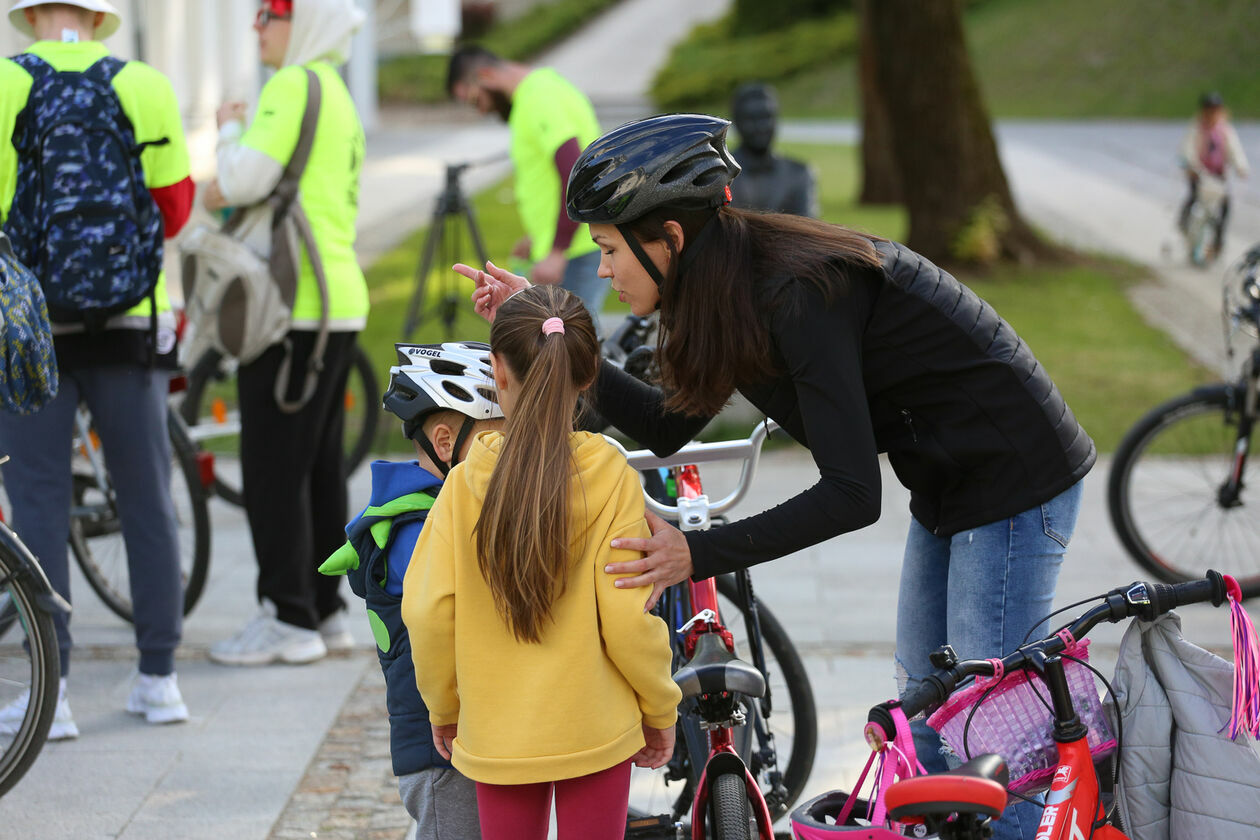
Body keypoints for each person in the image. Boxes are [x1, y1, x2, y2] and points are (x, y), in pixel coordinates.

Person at [465, 114, 1097, 840]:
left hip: (1016, 477)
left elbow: (853, 495)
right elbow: (670, 425)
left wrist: (695, 554)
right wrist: (546, 335)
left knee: (991, 728)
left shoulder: (792, 293)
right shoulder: (722, 288)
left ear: (669, 237)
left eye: (609, 249)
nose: (602, 270)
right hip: (950, 482)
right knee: (924, 709)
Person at [401, 285, 681, 840]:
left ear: (496, 370)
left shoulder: (463, 483)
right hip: (595, 729)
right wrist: (660, 706)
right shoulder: (610, 474)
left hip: (497, 732)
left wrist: (445, 706)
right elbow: (628, 618)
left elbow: (428, 611)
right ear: (588, 375)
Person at [0, 0, 196, 736]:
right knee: (146, 497)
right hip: (132, 321)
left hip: (29, 328)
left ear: (37, 15)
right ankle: (159, 679)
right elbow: (174, 210)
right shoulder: (142, 81)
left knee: (39, 500)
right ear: (97, 15)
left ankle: (53, 697)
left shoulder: (5, 82)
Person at [205, 0, 370, 666]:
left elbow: (240, 180)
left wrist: (226, 133)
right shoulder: (335, 90)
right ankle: (326, 612)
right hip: (335, 300)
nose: (257, 26)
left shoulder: (291, 84)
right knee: (319, 465)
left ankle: (288, 617)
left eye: (269, 13)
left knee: (272, 467)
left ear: (300, 23)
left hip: (290, 307)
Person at [319, 343, 503, 839]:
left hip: (474, 735)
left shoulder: (449, 508)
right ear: (446, 441)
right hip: (439, 748)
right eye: (500, 438)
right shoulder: (413, 530)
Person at [445, 45, 607, 323]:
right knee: (570, 348)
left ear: (485, 75)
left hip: (577, 250)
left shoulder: (539, 97)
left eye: (475, 100)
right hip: (576, 242)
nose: (482, 110)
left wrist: (557, 249)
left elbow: (573, 171)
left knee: (570, 354)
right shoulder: (542, 90)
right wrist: (539, 236)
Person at [729, 82, 818, 217]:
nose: (761, 127)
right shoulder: (719, 175)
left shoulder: (799, 174)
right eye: (752, 119)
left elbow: (809, 230)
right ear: (737, 122)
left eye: (767, 117)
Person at [1177, 91, 1250, 257]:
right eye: (1209, 109)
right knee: (1194, 198)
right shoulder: (1196, 127)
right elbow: (1187, 149)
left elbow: (1235, 150)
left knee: (1225, 206)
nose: (1212, 113)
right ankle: (1184, 223)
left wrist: (1241, 167)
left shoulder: (1225, 129)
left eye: (1215, 109)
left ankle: (1217, 242)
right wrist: (1191, 165)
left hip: (1218, 176)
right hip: (1199, 175)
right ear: (1203, 110)